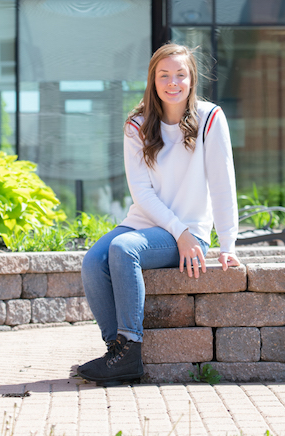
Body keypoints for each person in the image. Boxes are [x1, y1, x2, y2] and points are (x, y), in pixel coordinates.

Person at [77, 43, 241, 386]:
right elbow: (142, 193)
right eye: (164, 75)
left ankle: (131, 347)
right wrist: (175, 231)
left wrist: (227, 244)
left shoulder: (211, 118)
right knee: (94, 260)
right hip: (148, 224)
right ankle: (117, 351)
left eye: (180, 74)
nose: (173, 82)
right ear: (153, 81)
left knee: (124, 250)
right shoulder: (136, 125)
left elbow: (223, 182)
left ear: (192, 79)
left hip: (191, 232)